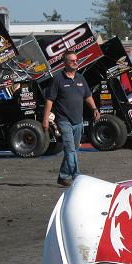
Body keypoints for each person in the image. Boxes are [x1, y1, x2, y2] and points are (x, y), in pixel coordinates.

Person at [42, 51, 99, 187]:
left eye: (76, 60)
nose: (75, 62)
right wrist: (45, 119)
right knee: (70, 150)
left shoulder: (80, 78)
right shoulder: (58, 79)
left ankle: (63, 176)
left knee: (73, 150)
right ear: (65, 63)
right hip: (64, 120)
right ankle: (76, 176)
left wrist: (95, 109)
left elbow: (88, 96)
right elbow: (50, 100)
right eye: (72, 61)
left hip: (78, 121)